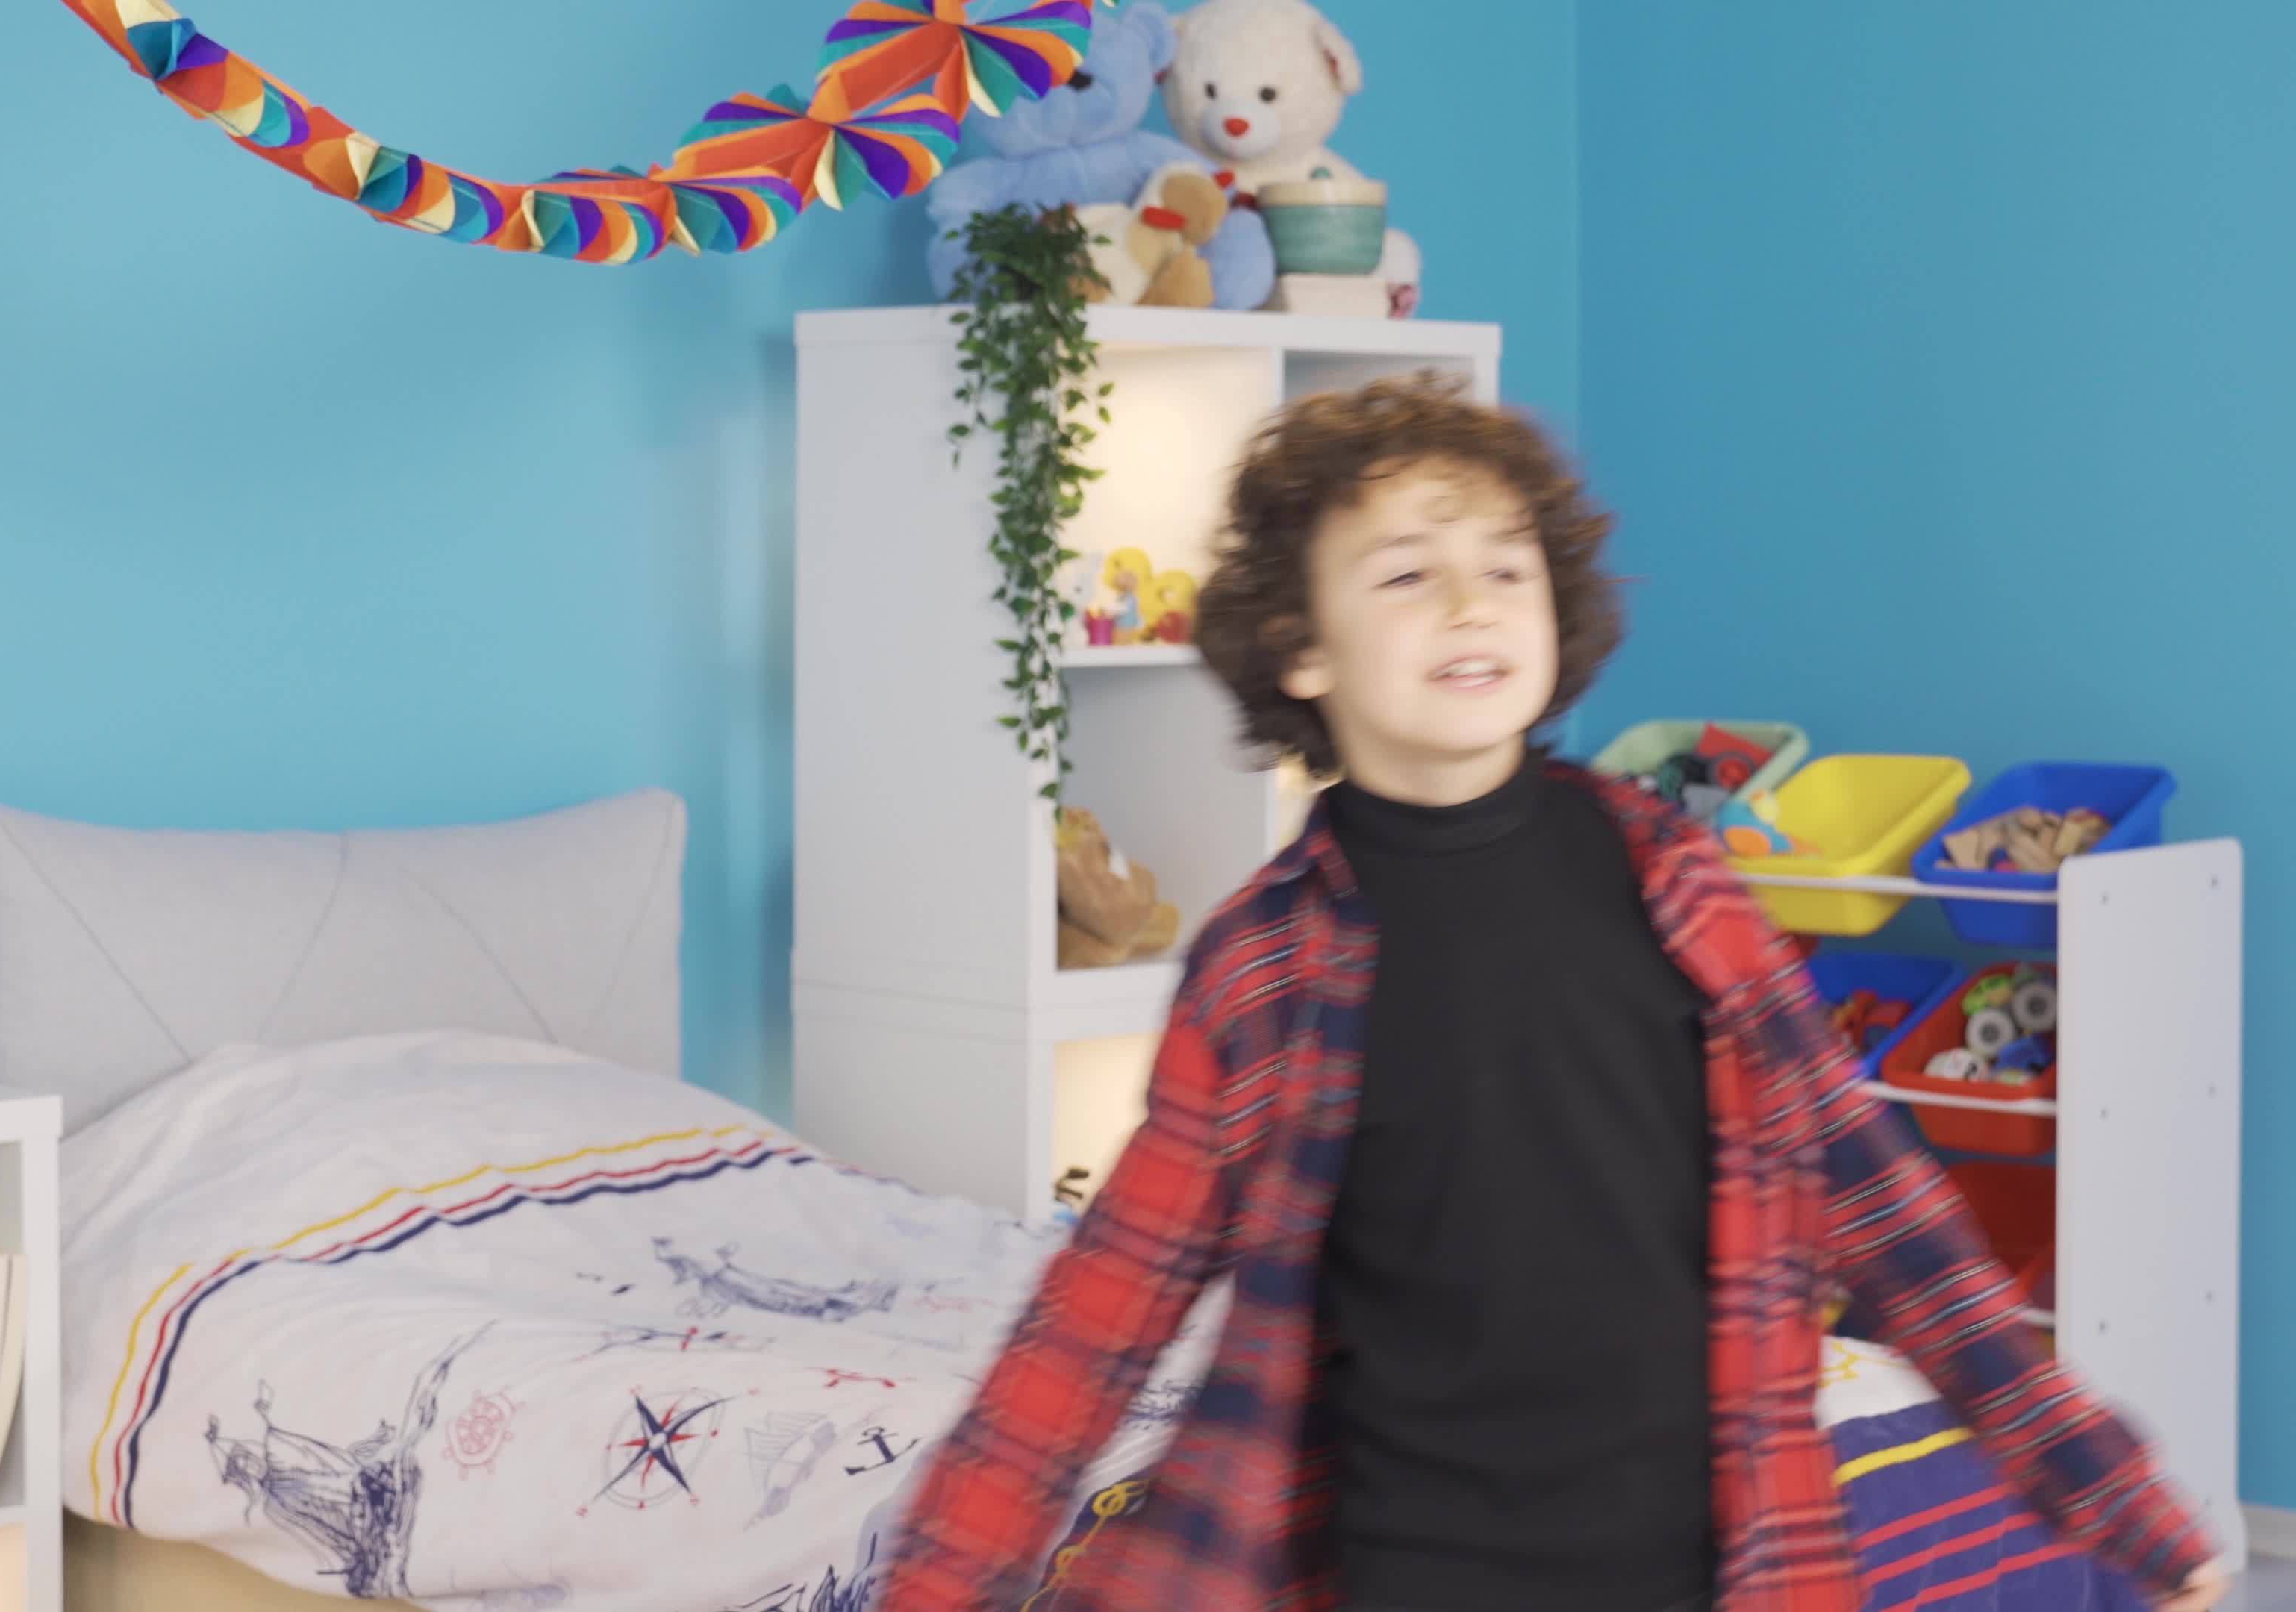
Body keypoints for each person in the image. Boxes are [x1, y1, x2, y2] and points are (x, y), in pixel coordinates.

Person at [872, 375, 2228, 1612]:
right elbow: (1108, 1304)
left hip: (1717, 1568)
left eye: (1504, 569)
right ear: (1302, 648)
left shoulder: (1680, 886)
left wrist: (2127, 1514)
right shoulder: (1265, 963)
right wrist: (938, 1586)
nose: (1471, 605)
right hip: (1423, 1571)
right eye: (1406, 575)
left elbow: (1891, 1219)